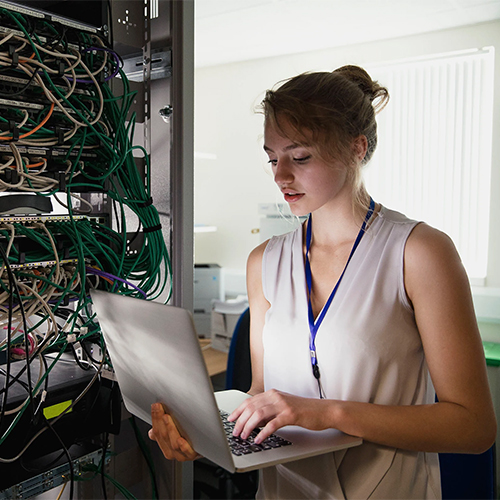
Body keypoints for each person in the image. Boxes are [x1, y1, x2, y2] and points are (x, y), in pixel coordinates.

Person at [149, 65, 496, 498]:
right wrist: (199, 437)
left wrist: (328, 413)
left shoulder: (419, 252)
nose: (280, 175)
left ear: (357, 147)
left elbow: (473, 426)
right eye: (273, 158)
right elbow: (262, 396)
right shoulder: (265, 262)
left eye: (300, 156)